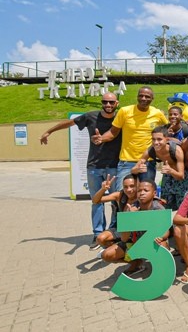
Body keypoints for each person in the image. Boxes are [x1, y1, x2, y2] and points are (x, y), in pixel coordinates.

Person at [40, 92, 122, 250]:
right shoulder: (91, 116)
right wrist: (49, 131)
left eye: (111, 102)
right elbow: (69, 123)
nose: (108, 105)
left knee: (116, 201)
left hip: (114, 165)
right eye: (105, 102)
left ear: (117, 103)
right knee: (96, 202)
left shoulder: (120, 118)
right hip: (94, 167)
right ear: (101, 102)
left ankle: (113, 233)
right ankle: (97, 234)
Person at [93, 86, 168, 185]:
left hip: (147, 162)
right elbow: (113, 132)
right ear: (137, 97)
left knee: (145, 195)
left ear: (152, 99)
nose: (144, 98)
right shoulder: (124, 111)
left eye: (147, 96)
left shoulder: (157, 114)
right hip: (126, 162)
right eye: (141, 96)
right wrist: (101, 138)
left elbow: (168, 131)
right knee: (122, 195)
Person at [100, 179, 167, 277]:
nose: (142, 193)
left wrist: (160, 237)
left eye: (146, 190)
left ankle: (161, 271)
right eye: (139, 191)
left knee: (163, 246)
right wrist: (130, 218)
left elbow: (166, 231)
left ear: (154, 193)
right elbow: (124, 238)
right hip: (134, 242)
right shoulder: (131, 207)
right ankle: (136, 263)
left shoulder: (159, 209)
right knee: (106, 255)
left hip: (153, 242)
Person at [132, 126, 187, 211]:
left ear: (167, 139)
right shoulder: (151, 150)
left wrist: (171, 171)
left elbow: (181, 176)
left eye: (159, 139)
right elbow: (133, 170)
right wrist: (138, 169)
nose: (156, 142)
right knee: (164, 204)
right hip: (168, 174)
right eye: (153, 139)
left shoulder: (176, 150)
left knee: (182, 207)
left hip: (180, 175)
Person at [91, 174, 138, 250]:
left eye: (132, 186)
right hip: (121, 229)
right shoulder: (120, 195)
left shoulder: (142, 197)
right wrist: (103, 189)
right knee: (100, 239)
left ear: (138, 186)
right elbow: (95, 201)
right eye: (125, 187)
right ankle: (118, 248)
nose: (129, 189)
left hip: (136, 232)